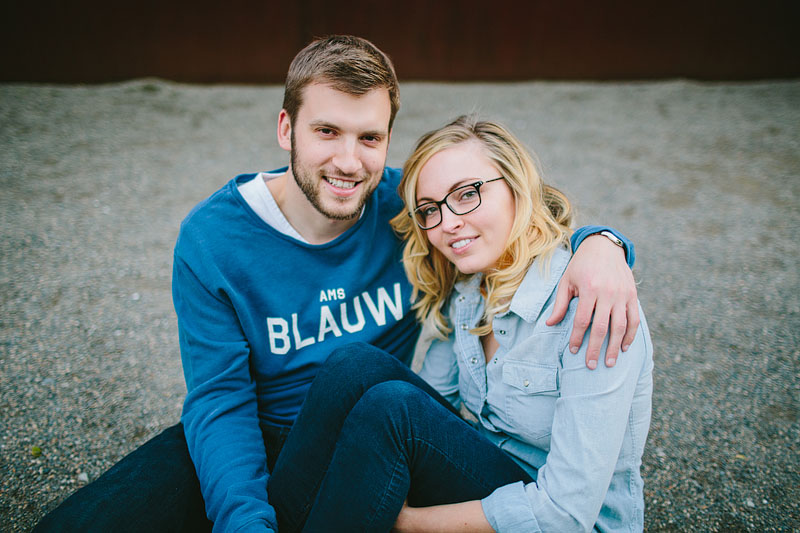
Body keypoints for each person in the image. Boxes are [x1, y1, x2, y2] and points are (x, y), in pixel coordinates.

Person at [34, 37, 639, 533]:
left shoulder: (411, 208)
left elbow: (517, 203)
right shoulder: (213, 240)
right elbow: (219, 399)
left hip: (372, 427)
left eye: (369, 138)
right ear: (286, 128)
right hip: (262, 432)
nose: (349, 162)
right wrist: (244, 520)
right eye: (326, 132)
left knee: (358, 369)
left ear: (385, 143)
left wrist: (603, 246)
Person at [261, 116, 653, 532]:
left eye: (467, 194)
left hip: (561, 519)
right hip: (491, 479)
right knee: (354, 365)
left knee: (392, 410)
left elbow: (564, 514)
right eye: (430, 209)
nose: (447, 223)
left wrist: (408, 522)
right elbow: (435, 410)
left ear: (516, 186)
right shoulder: (469, 291)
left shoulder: (593, 305)